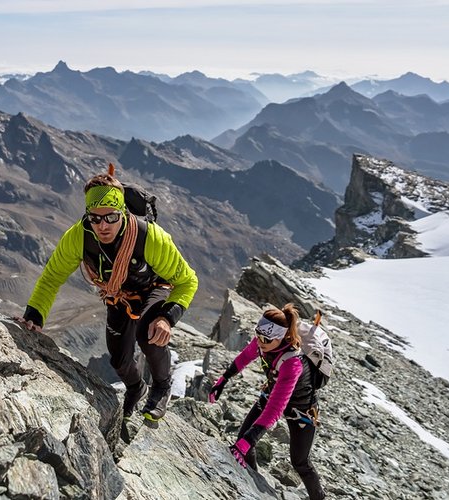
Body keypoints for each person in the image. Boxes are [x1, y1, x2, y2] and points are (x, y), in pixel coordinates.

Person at [17, 168, 198, 421]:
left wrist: (167, 318)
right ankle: (136, 388)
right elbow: (52, 277)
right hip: (118, 294)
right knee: (119, 361)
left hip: (154, 288)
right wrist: (35, 315)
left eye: (111, 217)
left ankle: (161, 385)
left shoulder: (150, 237)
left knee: (150, 333)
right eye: (95, 218)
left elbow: (188, 281)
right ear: (88, 215)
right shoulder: (79, 236)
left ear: (123, 212)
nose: (103, 225)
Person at [208, 303, 326, 500]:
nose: (260, 341)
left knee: (300, 462)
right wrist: (223, 379)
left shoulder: (293, 364)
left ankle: (319, 498)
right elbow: (245, 357)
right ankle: (253, 484)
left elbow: (275, 409)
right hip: (272, 395)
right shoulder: (265, 341)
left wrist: (249, 440)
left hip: (302, 412)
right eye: (258, 335)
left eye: (266, 339)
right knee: (243, 443)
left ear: (282, 337)